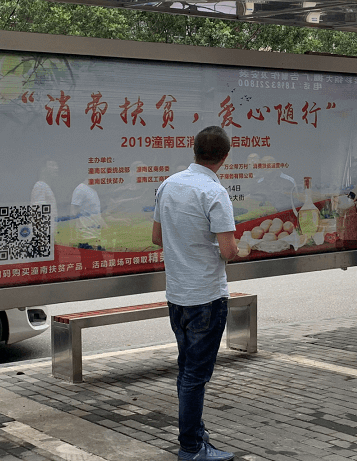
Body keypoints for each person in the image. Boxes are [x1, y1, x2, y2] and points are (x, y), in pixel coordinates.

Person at [151, 126, 239, 461]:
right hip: (206, 296)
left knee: (186, 368)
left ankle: (197, 435)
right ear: (224, 157)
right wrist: (237, 249)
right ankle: (190, 447)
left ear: (194, 150)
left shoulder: (168, 184)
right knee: (195, 375)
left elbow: (157, 237)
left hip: (177, 295)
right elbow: (228, 251)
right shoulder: (215, 192)